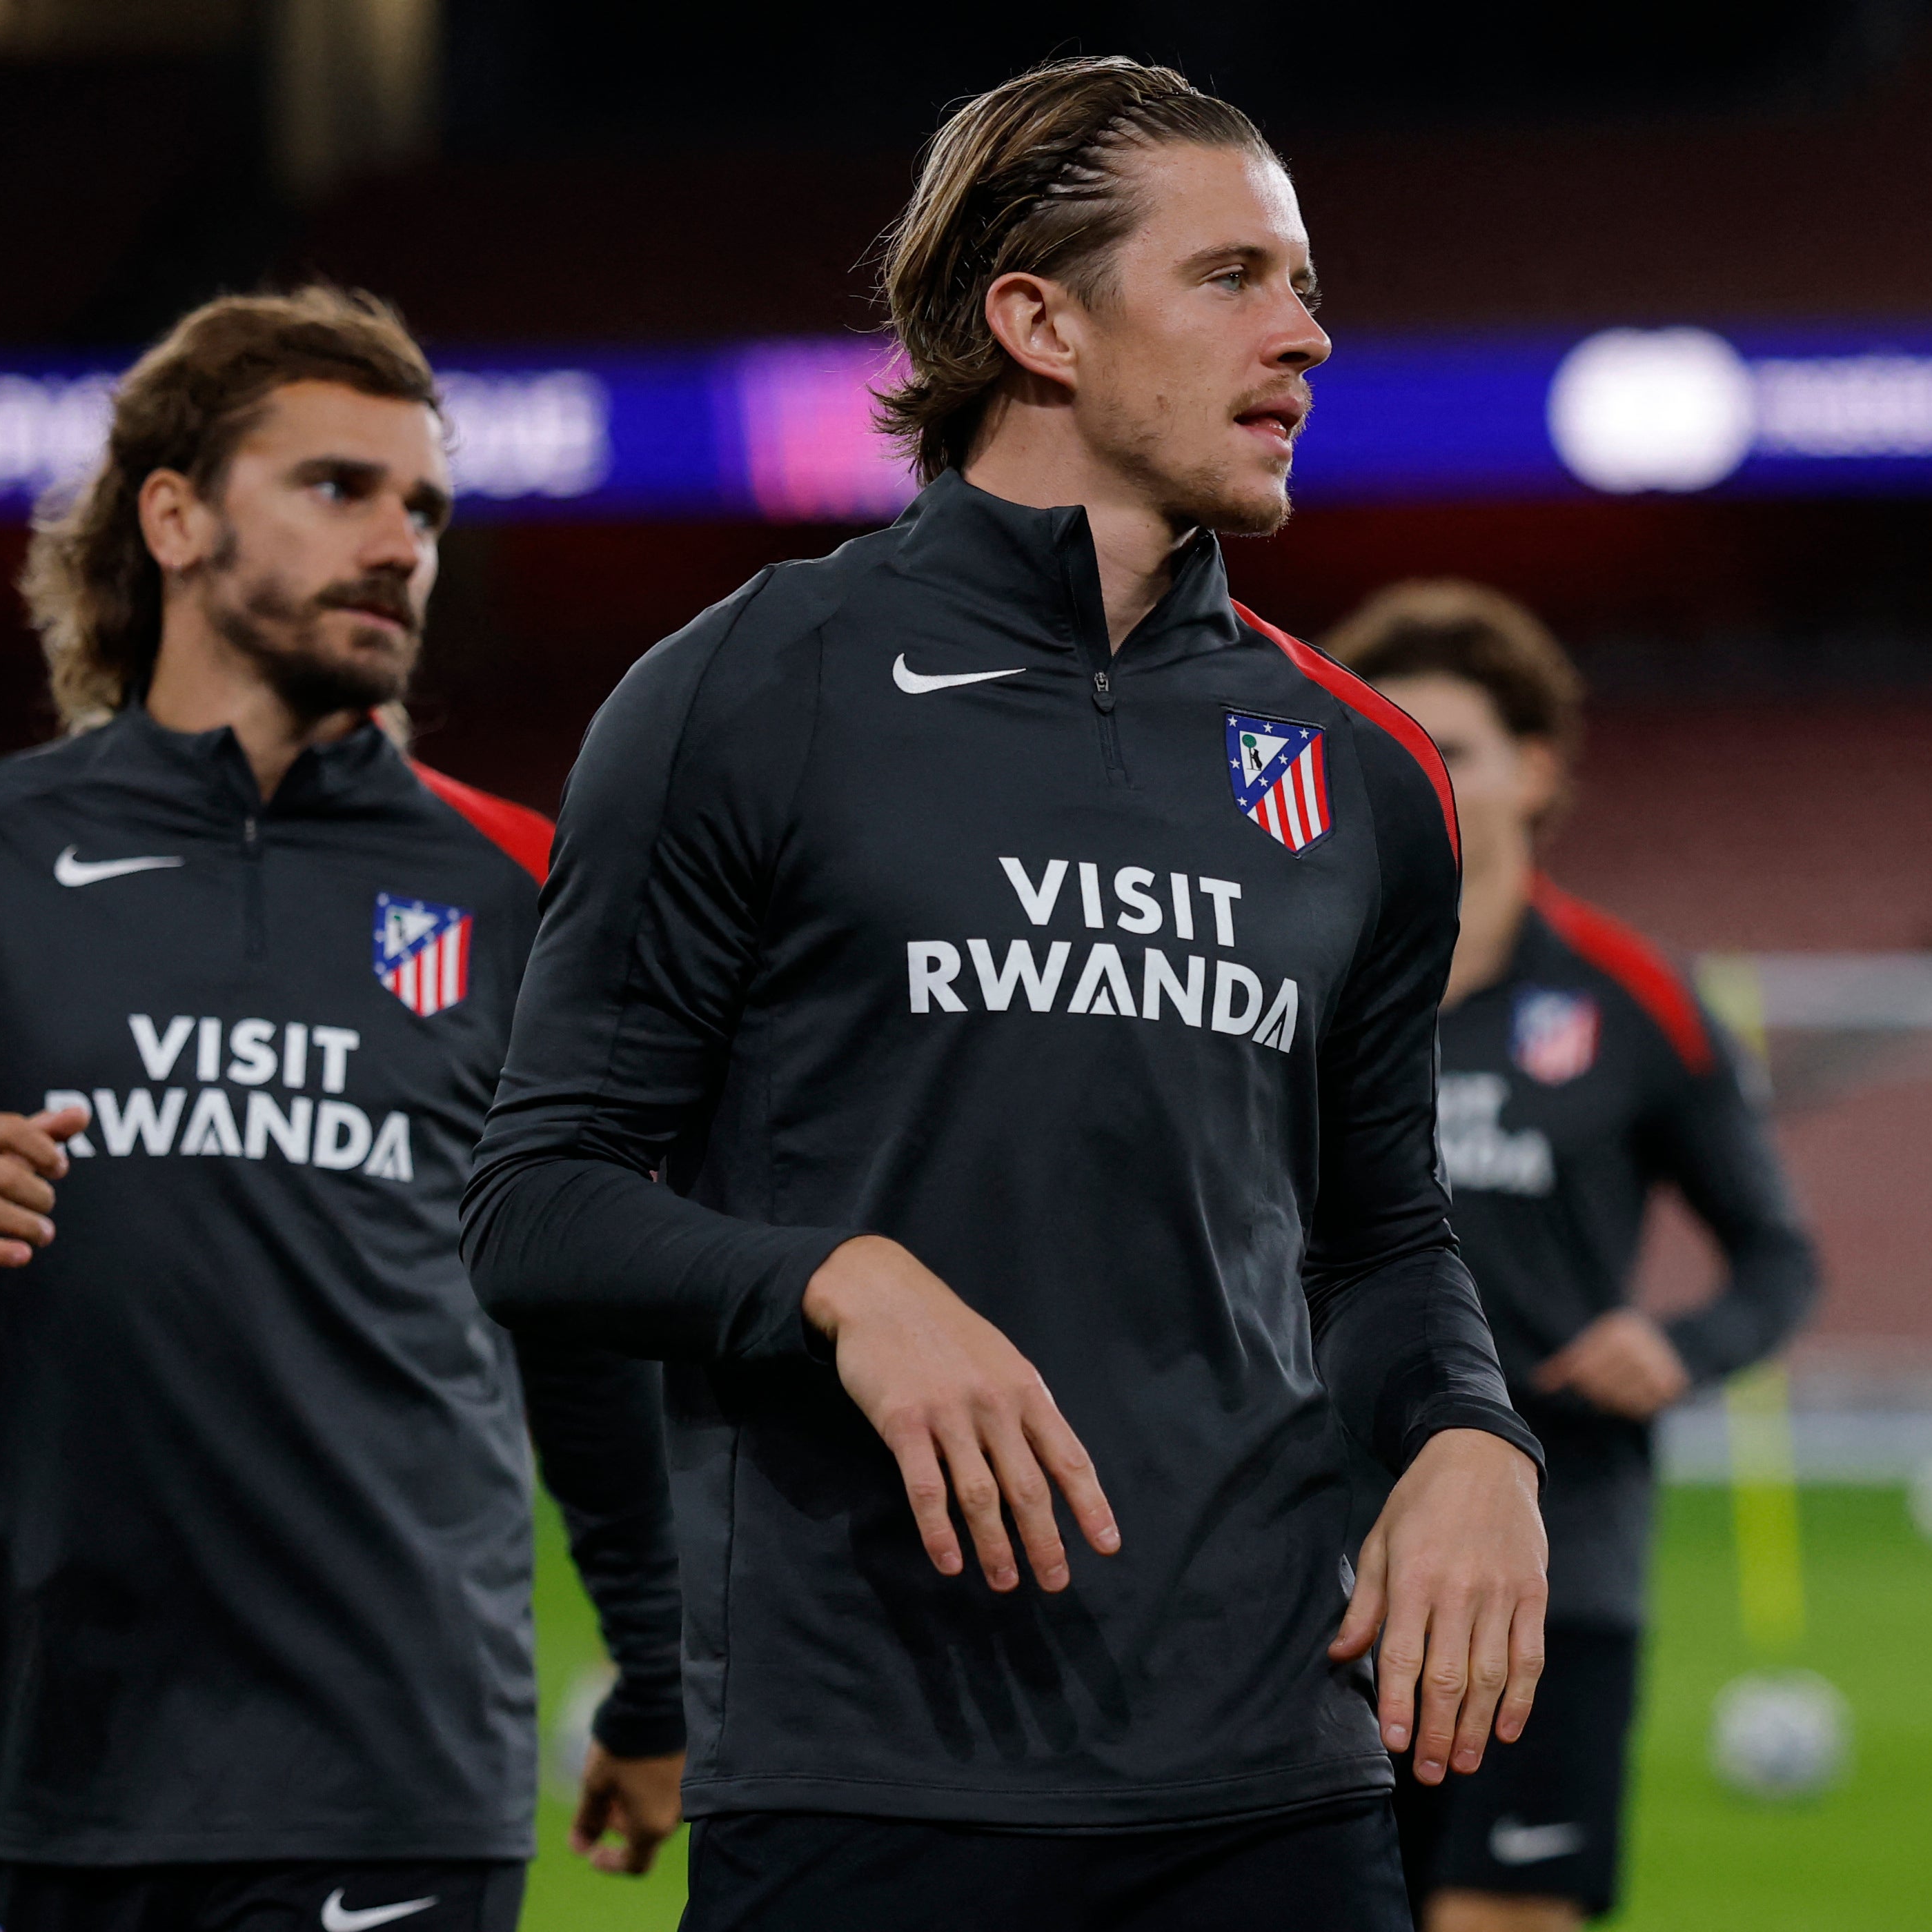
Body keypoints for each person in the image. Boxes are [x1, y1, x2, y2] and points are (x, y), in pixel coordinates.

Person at [457, 59, 1548, 1932]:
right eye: (1233, 279)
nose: (1308, 333)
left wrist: (1470, 1433)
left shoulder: (1365, 770)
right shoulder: (750, 694)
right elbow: (537, 1202)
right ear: (1032, 321)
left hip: (1274, 1781)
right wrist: (835, 1283)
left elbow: (1380, 1242)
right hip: (870, 1776)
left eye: (1304, 283)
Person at [0, 287, 685, 1932]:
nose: (399, 540)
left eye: (422, 505)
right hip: (61, 1755)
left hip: (398, 1756)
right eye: (339, 488)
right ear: (177, 516)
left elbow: (585, 1321)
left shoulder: (514, 879)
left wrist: (659, 1668)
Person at [1326, 580, 1822, 1931]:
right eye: (1390, 743)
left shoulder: (1635, 998)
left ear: (1537, 769)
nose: (1420, 774)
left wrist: (1679, 1343)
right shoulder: (1285, 980)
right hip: (1313, 1546)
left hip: (1550, 1548)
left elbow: (1776, 1256)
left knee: (1500, 1914)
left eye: (1456, 746)